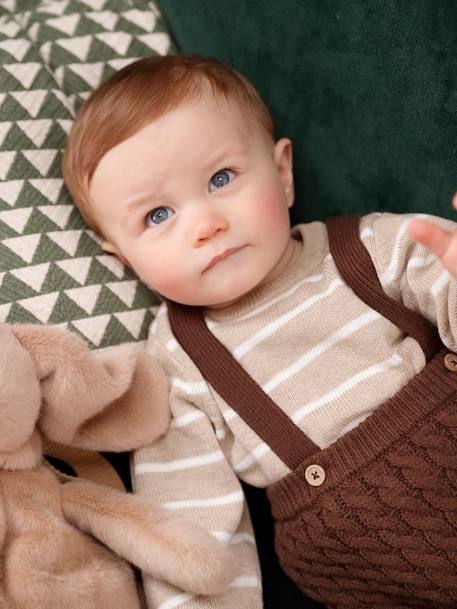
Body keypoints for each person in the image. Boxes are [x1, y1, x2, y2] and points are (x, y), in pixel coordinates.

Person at [63, 55, 457, 609]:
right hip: (372, 572)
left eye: (221, 179)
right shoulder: (177, 364)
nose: (205, 224)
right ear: (123, 258)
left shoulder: (373, 249)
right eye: (157, 216)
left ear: (283, 172)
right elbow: (193, 524)